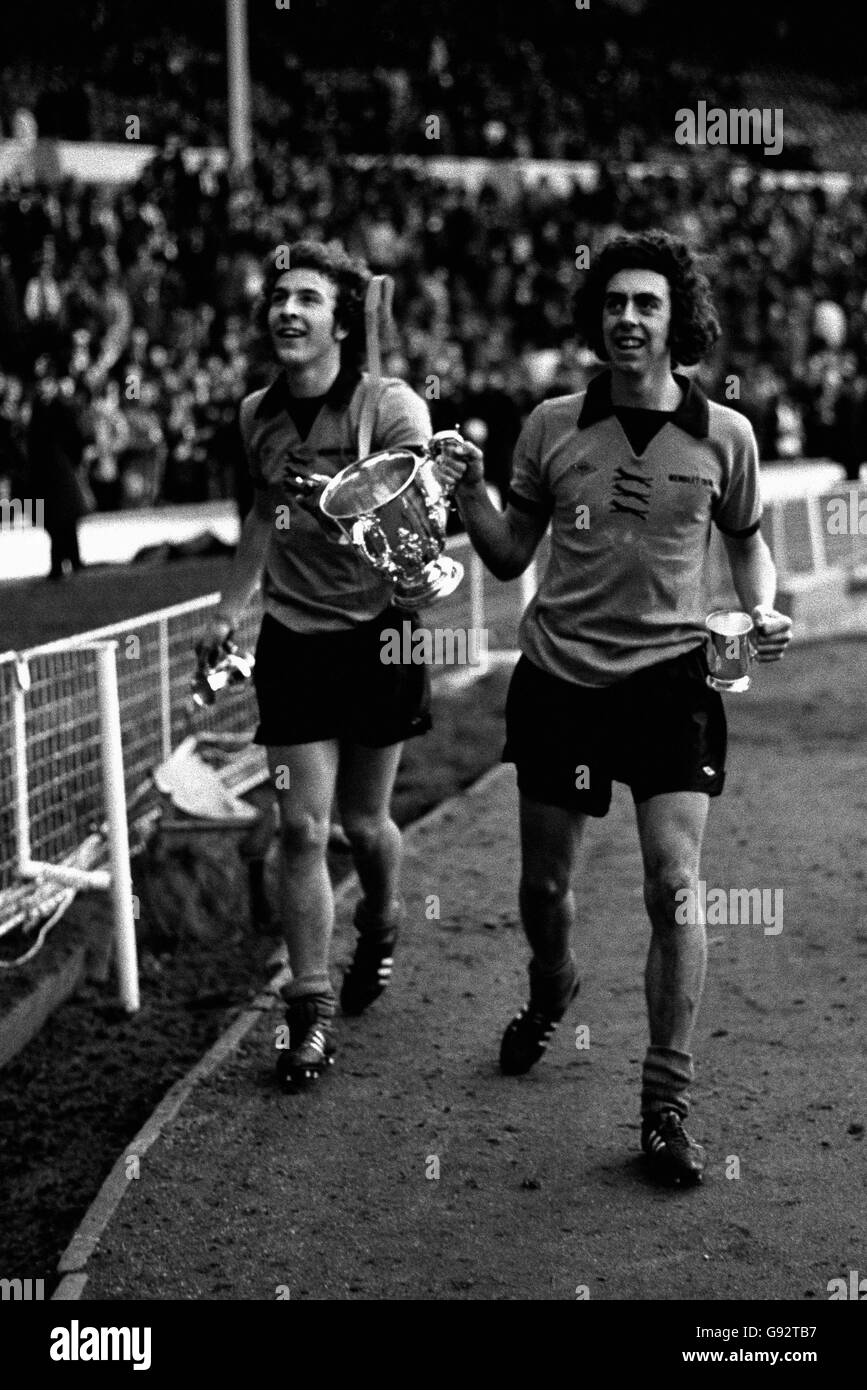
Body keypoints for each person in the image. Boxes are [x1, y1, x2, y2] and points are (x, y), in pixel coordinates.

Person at [442, 231, 793, 1186]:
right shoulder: (550, 424)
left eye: (646, 303)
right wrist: (468, 491)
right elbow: (511, 553)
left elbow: (747, 540)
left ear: (679, 319)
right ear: (595, 319)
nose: (627, 318)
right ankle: (552, 984)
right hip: (559, 679)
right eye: (613, 304)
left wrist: (759, 607)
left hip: (671, 682)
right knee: (544, 891)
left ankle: (663, 1103)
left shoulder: (726, 434)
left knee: (674, 885)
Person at [196, 241, 433, 1091]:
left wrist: (368, 515)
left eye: (307, 299)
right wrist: (231, 606)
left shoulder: (391, 408)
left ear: (341, 319)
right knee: (301, 826)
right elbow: (260, 513)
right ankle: (309, 1013)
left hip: (379, 637)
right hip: (293, 641)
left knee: (364, 827)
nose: (287, 312)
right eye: (277, 299)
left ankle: (384, 919)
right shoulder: (256, 413)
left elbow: (423, 539)